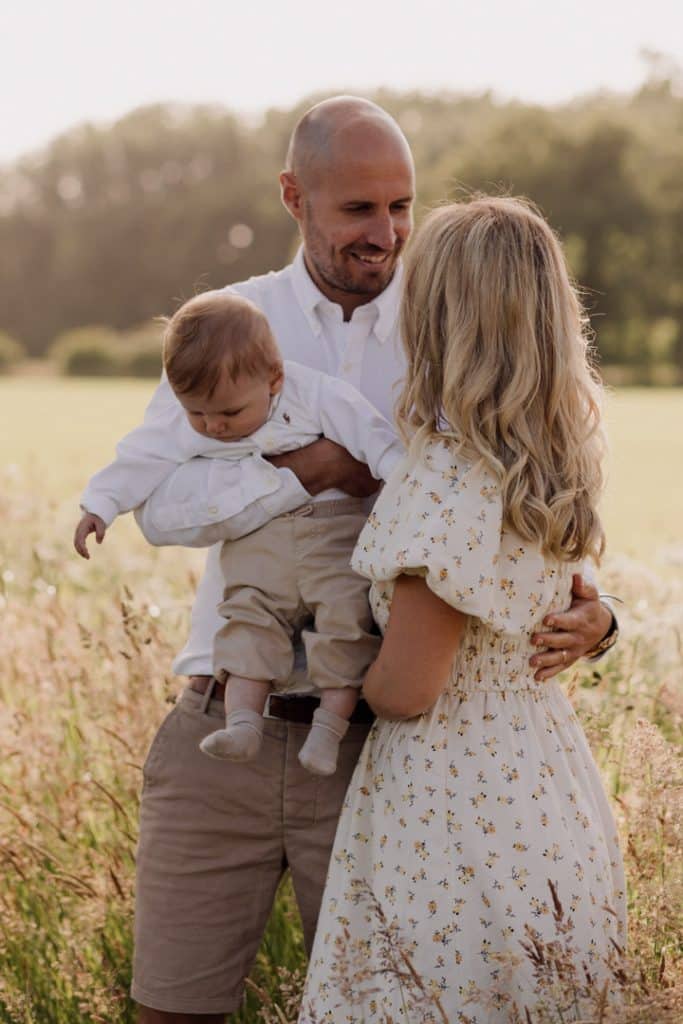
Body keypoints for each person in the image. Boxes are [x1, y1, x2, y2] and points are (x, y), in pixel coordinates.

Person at [126, 98, 617, 1022]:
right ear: (293, 196)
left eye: (401, 207)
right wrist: (302, 477)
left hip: (376, 752)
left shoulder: (455, 330)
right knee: (169, 1008)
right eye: (358, 209)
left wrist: (601, 615)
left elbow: (521, 512)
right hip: (227, 720)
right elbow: (159, 508)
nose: (385, 233)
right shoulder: (229, 323)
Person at [298, 196, 626, 1024]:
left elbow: (409, 688)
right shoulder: (550, 466)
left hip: (452, 805)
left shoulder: (446, 477)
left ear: (441, 319)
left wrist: (352, 681)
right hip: (546, 788)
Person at [74, 290, 403, 775]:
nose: (213, 427)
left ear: (275, 379)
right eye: (198, 415)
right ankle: (243, 725)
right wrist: (99, 505)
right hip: (259, 543)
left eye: (229, 414)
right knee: (247, 622)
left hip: (331, 536)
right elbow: (143, 457)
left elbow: (371, 435)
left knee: (344, 623)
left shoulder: (315, 395)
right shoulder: (199, 417)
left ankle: (328, 733)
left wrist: (402, 482)